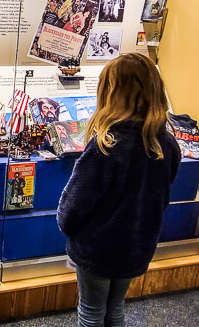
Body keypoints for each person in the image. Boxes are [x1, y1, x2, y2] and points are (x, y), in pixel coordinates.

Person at [57, 53, 181, 327]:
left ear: (110, 93)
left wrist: (66, 226)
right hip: (136, 247)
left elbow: (75, 204)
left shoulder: (105, 145)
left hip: (96, 249)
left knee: (90, 312)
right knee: (115, 308)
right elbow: (162, 193)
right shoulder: (166, 143)